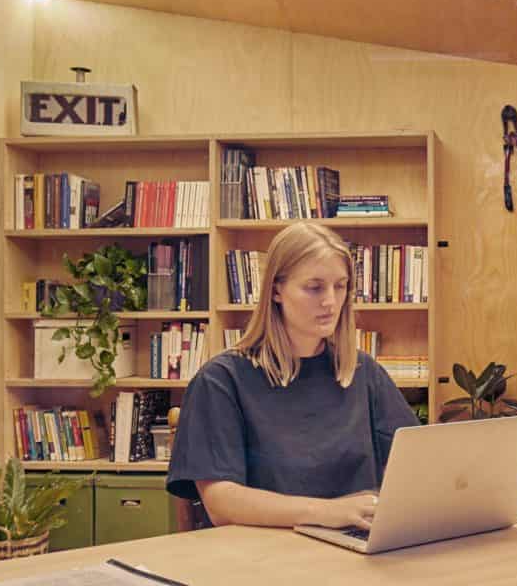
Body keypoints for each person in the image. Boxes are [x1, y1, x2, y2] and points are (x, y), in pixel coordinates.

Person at [167, 221, 420, 529]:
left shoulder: (364, 373)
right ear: (276, 290)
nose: (330, 301)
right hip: (260, 555)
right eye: (314, 288)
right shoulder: (221, 381)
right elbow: (221, 502)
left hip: (354, 548)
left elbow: (415, 467)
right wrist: (328, 513)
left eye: (340, 286)